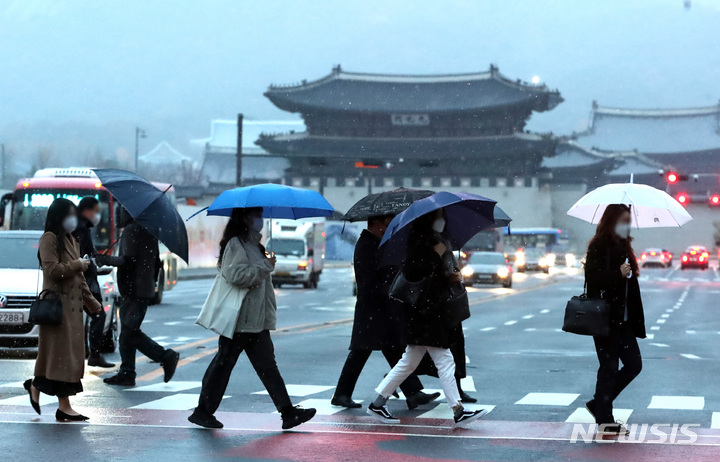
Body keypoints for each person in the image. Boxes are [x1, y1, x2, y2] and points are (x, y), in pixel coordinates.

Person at [188, 207, 316, 430]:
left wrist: (267, 261)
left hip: (255, 321)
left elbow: (258, 274)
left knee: (266, 367)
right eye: (257, 216)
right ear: (245, 218)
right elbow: (236, 276)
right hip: (240, 320)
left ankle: (288, 413)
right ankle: (203, 411)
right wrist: (265, 266)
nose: (261, 220)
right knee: (223, 365)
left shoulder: (255, 245)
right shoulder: (236, 244)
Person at [367, 209, 487, 428]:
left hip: (428, 312)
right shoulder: (419, 243)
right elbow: (416, 273)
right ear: (430, 219)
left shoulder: (434, 241)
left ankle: (378, 402)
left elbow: (431, 275)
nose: (443, 220)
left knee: (408, 363)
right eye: (439, 216)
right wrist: (436, 254)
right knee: (444, 360)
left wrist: (449, 275)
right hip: (424, 313)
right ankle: (458, 409)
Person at [331, 214, 440, 410]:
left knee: (392, 349)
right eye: (387, 221)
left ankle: (413, 392)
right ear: (376, 223)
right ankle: (341, 394)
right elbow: (371, 279)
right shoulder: (367, 244)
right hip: (372, 307)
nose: (389, 225)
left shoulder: (377, 242)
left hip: (379, 308)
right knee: (362, 351)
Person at [24, 198, 102, 421]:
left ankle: (37, 386)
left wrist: (93, 305)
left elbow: (79, 279)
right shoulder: (49, 239)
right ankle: (64, 406)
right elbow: (53, 270)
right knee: (60, 359)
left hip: (73, 310)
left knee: (63, 359)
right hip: (57, 309)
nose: (73, 219)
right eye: (69, 214)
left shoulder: (72, 239)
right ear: (59, 216)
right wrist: (79, 264)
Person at [584, 204, 646, 436]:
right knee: (608, 367)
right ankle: (604, 418)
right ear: (612, 221)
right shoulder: (599, 245)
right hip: (605, 318)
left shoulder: (624, 245)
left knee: (634, 365)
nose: (626, 224)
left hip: (625, 319)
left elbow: (628, 282)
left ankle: (599, 404)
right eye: (623, 219)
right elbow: (593, 280)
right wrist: (617, 274)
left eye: (629, 220)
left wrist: (628, 274)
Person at [104, 207, 179, 386]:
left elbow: (128, 260)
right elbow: (155, 263)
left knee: (130, 332)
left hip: (133, 290)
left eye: (121, 211)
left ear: (131, 213)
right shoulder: (148, 230)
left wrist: (104, 260)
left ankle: (164, 356)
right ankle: (127, 372)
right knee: (127, 332)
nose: (118, 215)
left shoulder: (132, 229)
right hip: (143, 289)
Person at [73, 196, 125, 368]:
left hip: (85, 279)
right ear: (86, 211)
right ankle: (93, 354)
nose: (97, 216)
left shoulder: (81, 228)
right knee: (98, 314)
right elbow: (87, 256)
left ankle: (88, 353)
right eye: (96, 211)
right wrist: (114, 260)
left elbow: (91, 255)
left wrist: (106, 259)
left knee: (93, 315)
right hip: (85, 281)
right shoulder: (80, 229)